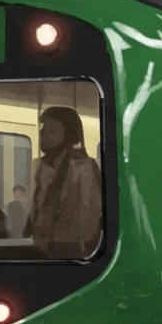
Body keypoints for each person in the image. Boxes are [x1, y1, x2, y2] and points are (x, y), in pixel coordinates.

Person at [24, 106, 101, 258]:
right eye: (43, 128)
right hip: (44, 247)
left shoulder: (84, 168)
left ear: (68, 137)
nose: (43, 135)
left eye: (51, 131)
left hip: (72, 249)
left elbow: (91, 214)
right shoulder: (42, 167)